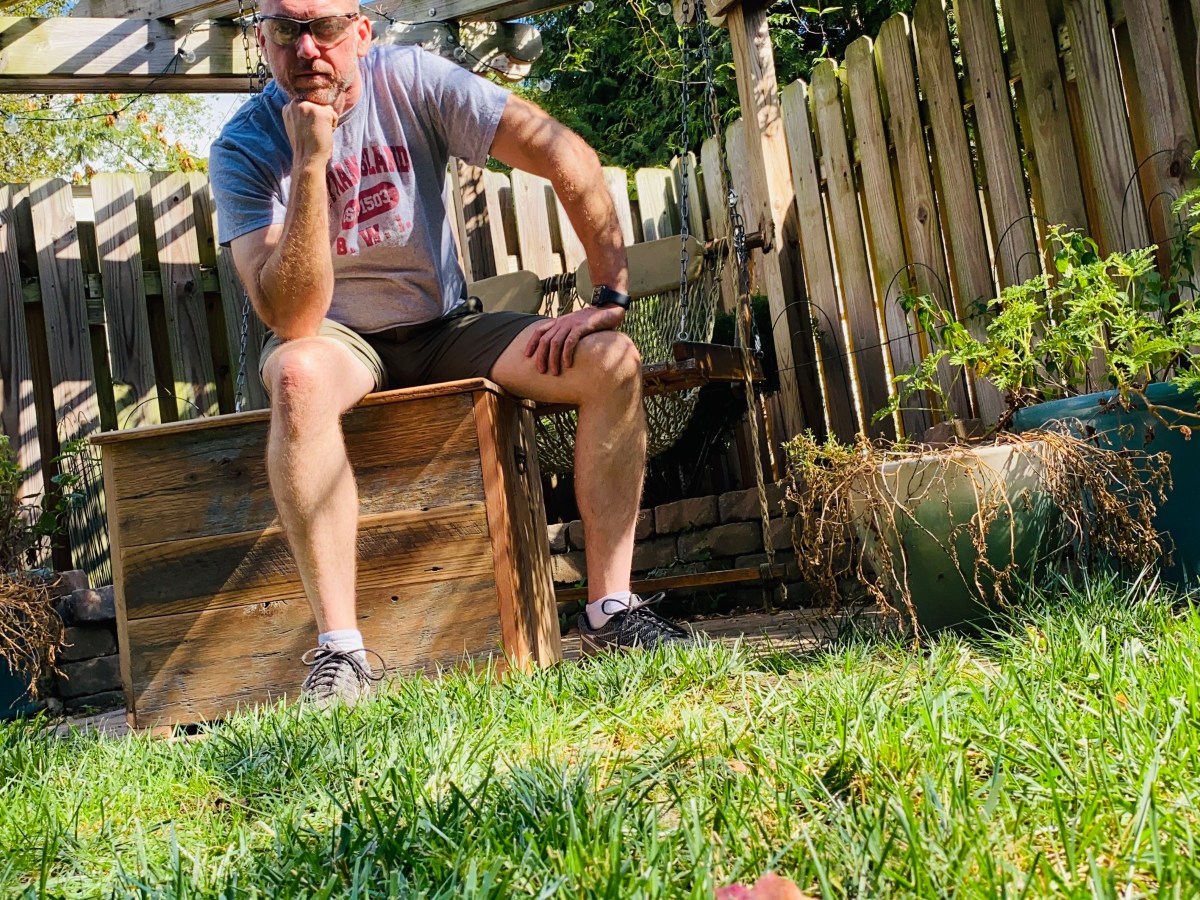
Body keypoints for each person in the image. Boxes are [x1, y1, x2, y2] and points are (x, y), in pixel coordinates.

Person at [210, 0, 696, 705]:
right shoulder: (245, 145)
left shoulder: (412, 80)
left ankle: (611, 611)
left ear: (361, 32)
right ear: (262, 41)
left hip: (445, 328)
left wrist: (609, 294)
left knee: (612, 361)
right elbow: (293, 317)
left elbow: (563, 151)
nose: (308, 48)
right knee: (294, 374)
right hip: (340, 341)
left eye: (326, 28)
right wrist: (311, 161)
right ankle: (341, 654)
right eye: (287, 30)